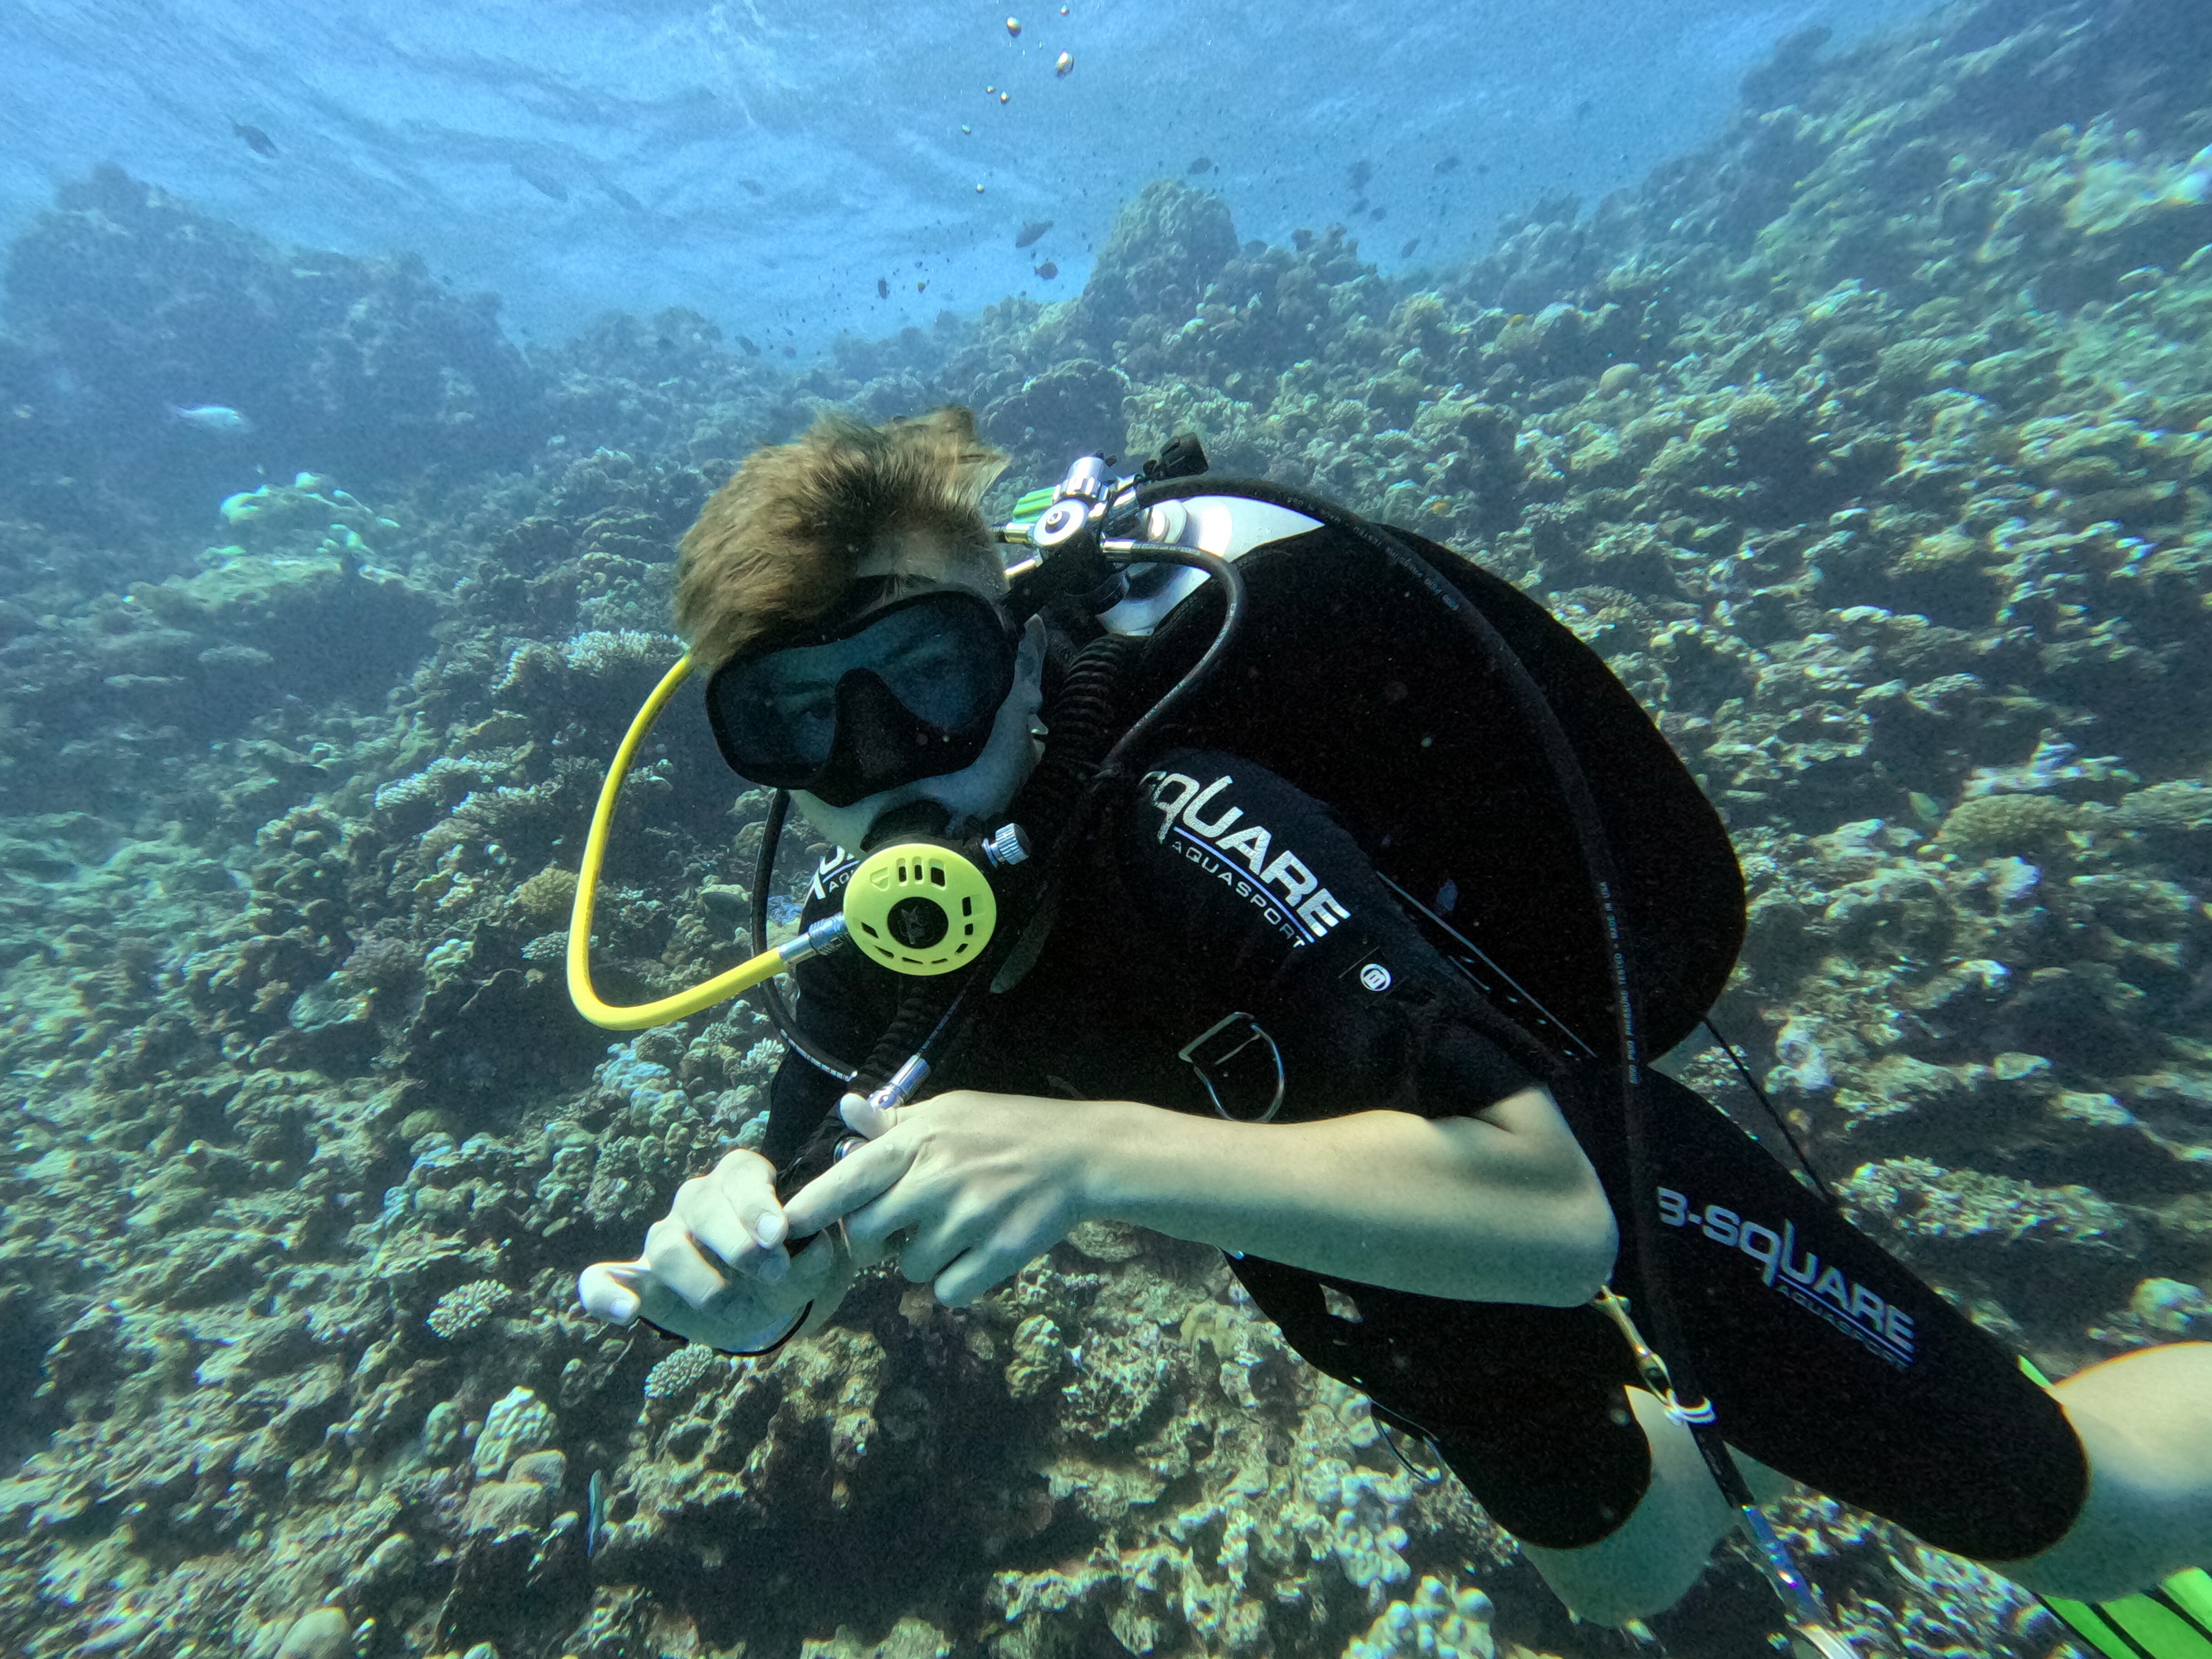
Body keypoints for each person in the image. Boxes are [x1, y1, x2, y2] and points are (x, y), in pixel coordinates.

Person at [576, 406, 2212, 1637]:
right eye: (796, 718)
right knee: (1629, 1568)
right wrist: (742, 1270)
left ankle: (1884, 1412)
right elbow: (811, 1209)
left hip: (1590, 1196)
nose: (879, 759)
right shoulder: (873, 938)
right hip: (1376, 1278)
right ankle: (1779, 1434)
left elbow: (1556, 1212)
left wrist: (1086, 1153)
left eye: (920, 676)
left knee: (2097, 1523)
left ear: (1009, 643)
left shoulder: (1186, 818)